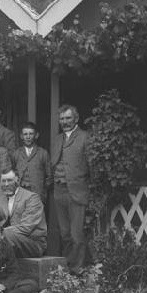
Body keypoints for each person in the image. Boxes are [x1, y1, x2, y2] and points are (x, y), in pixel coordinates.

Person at [52, 105, 89, 274]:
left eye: (68, 118)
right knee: (65, 234)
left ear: (76, 119)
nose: (65, 122)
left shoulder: (85, 137)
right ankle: (67, 269)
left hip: (76, 191)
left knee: (76, 235)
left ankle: (78, 270)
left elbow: (91, 168)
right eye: (62, 119)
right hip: (59, 191)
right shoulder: (57, 139)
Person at [0, 170, 47, 258]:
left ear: (17, 181)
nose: (6, 184)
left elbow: (26, 228)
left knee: (5, 235)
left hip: (33, 243)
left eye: (9, 180)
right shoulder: (3, 198)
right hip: (10, 238)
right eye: (3, 181)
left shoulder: (32, 198)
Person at [14, 122, 53, 204]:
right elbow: (12, 172)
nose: (28, 137)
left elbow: (49, 176)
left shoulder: (43, 153)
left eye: (31, 134)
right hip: (20, 194)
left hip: (37, 194)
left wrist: (42, 190)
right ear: (21, 136)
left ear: (36, 135)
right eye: (25, 134)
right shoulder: (16, 153)